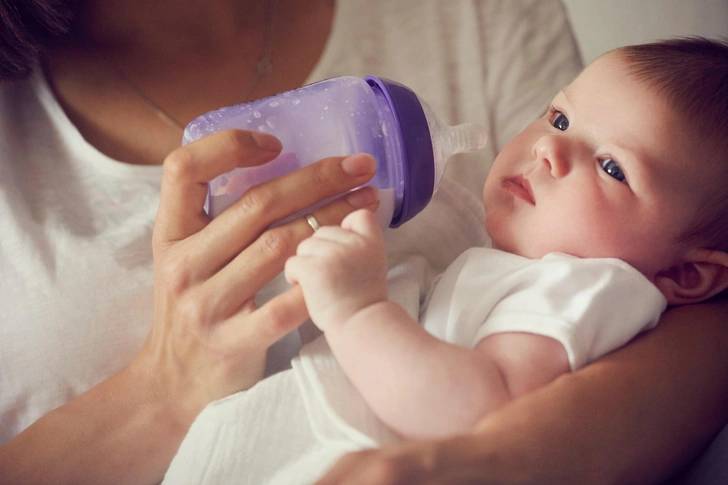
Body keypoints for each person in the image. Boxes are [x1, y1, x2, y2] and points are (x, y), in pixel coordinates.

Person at [0, 0, 725, 484]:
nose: (548, 153)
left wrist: (357, 309)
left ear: (690, 276)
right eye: (559, 120)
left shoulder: (586, 289)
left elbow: (484, 408)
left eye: (611, 166)